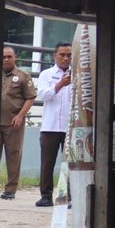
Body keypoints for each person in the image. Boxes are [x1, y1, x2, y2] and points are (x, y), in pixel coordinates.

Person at [35, 41, 73, 206]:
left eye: (69, 55)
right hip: (50, 127)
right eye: (62, 55)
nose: (65, 58)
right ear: (54, 55)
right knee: (47, 163)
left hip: (70, 127)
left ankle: (70, 196)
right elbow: (43, 95)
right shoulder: (46, 74)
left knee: (71, 163)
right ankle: (46, 195)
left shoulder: (78, 74)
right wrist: (59, 85)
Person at [0, 45, 37, 199]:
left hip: (13, 123)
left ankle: (10, 190)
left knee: (13, 156)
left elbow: (30, 97)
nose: (6, 59)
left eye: (9, 56)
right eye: (3, 57)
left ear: (15, 58)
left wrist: (20, 115)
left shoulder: (22, 76)